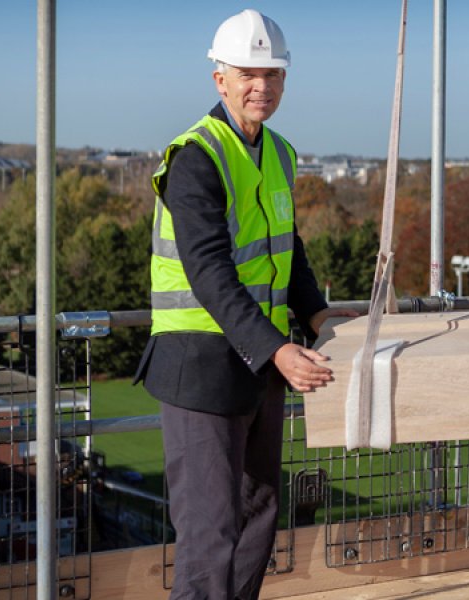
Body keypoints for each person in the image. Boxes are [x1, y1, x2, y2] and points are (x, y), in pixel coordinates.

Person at [133, 9, 354, 599]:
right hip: (200, 365)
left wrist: (317, 313)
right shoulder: (194, 158)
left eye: (274, 74)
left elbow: (287, 246)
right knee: (210, 534)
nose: (263, 86)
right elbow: (208, 271)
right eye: (248, 73)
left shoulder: (278, 153)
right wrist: (277, 348)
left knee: (259, 516)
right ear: (220, 80)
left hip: (259, 362)